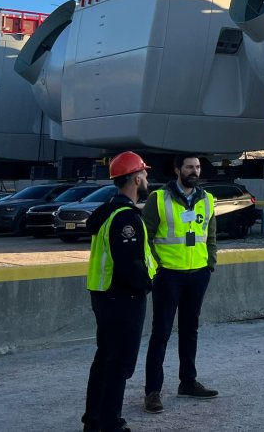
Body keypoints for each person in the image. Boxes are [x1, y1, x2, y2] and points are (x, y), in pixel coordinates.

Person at [83, 151, 156, 432]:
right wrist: (146, 284)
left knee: (104, 359)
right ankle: (110, 423)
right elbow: (130, 264)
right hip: (123, 298)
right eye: (145, 174)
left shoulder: (108, 210)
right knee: (118, 364)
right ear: (136, 178)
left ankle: (94, 420)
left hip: (104, 294)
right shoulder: (126, 218)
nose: (147, 178)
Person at [142, 154, 219, 414]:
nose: (194, 171)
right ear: (177, 169)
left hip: (198, 274)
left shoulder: (207, 200)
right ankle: (153, 391)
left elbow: (211, 235)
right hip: (169, 276)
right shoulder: (158, 199)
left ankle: (188, 382)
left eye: (197, 167)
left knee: (190, 330)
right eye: (189, 166)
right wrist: (158, 268)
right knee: (161, 333)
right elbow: (146, 237)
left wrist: (210, 263)